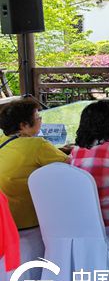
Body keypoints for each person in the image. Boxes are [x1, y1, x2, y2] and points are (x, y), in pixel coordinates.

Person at [0, 98, 67, 229]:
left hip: (5, 220)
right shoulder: (37, 144)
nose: (41, 120)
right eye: (38, 118)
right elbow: (70, 166)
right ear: (23, 125)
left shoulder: (3, 140)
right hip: (28, 221)